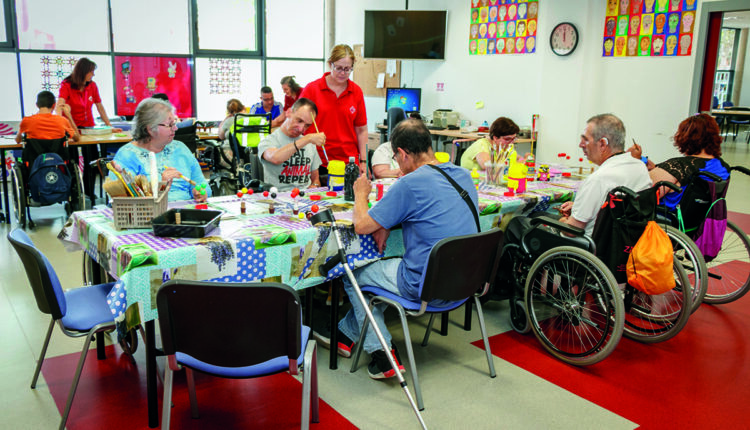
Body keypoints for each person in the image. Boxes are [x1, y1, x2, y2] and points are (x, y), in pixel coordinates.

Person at [336, 119, 478, 379]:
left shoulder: (410, 184)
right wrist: (387, 222)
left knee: (352, 273)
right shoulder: (463, 175)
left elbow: (361, 225)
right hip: (465, 281)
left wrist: (360, 194)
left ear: (402, 154)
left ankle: (383, 354)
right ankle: (345, 334)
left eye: (396, 158)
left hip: (424, 285)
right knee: (380, 275)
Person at [557, 113, 651, 236]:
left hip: (588, 243)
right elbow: (620, 207)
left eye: (585, 140)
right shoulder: (639, 167)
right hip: (629, 239)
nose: (581, 145)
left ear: (602, 144)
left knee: (537, 219)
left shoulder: (599, 179)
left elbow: (571, 231)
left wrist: (562, 220)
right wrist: (578, 208)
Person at [110, 98, 210, 202]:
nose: (175, 128)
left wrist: (200, 193)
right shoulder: (126, 156)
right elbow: (122, 201)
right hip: (150, 211)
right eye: (170, 125)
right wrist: (162, 186)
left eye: (174, 123)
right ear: (150, 128)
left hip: (186, 209)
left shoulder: (180, 148)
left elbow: (201, 183)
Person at [299, 44, 369, 176]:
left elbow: (361, 130)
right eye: (339, 68)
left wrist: (364, 161)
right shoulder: (312, 90)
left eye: (347, 69)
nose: (343, 73)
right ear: (330, 64)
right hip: (317, 162)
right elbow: (298, 123)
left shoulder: (356, 92)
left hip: (348, 162)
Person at [627, 113, 729, 200]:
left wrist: (633, 161)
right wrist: (655, 168)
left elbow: (640, 195)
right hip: (703, 216)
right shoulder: (722, 166)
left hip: (666, 215)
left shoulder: (679, 166)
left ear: (686, 138)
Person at [258, 98, 325, 191]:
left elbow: (316, 179)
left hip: (305, 196)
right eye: (299, 121)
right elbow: (275, 158)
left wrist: (315, 185)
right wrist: (307, 139)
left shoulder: (309, 143)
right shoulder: (269, 140)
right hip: (278, 195)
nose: (301, 129)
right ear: (289, 112)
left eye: (307, 125)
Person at [57, 58, 122, 134]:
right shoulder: (66, 85)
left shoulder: (92, 85)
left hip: (88, 127)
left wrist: (109, 126)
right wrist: (60, 125)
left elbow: (100, 107)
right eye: (91, 72)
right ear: (83, 72)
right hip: (71, 127)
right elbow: (60, 105)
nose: (93, 74)